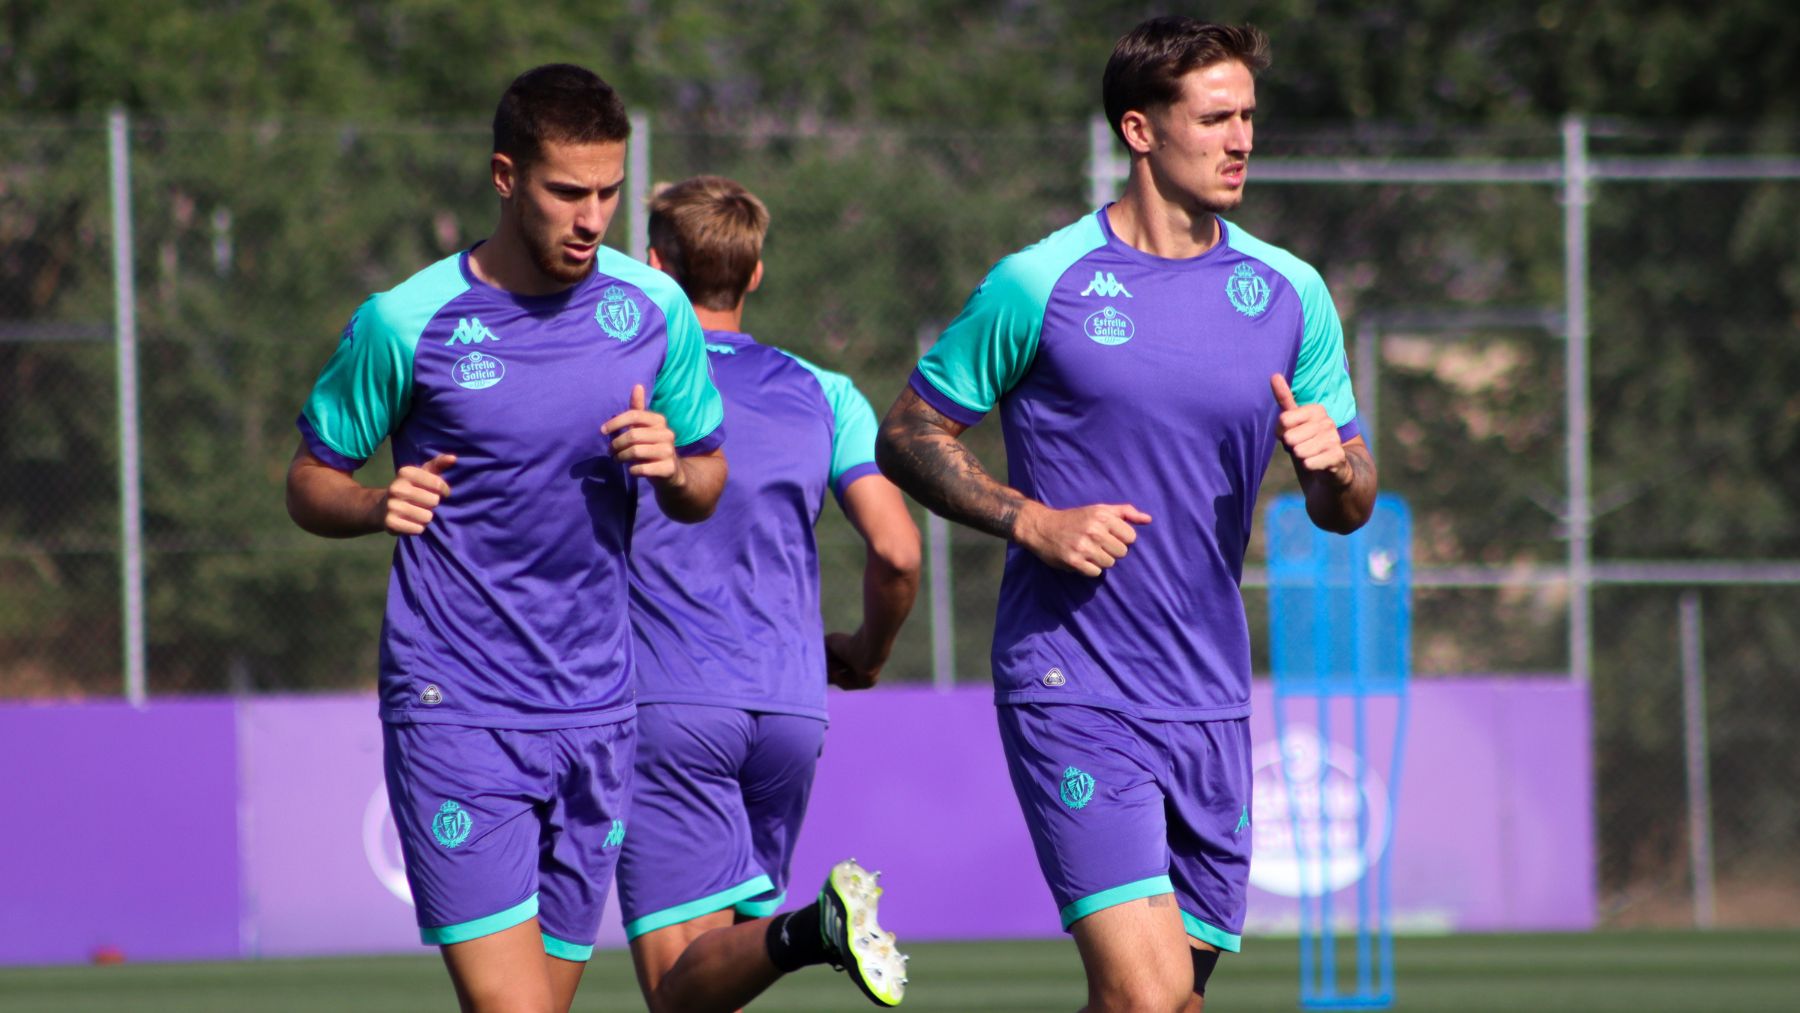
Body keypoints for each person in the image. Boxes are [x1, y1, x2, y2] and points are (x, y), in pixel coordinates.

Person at [875, 17, 1378, 1012]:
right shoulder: (1041, 281)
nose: (1240, 140)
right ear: (1141, 131)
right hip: (1072, 676)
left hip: (1209, 691)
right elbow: (909, 432)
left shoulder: (1289, 292)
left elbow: (1346, 502)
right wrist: (1032, 521)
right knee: (1149, 995)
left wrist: (1336, 465)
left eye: (1247, 117)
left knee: (1162, 1000)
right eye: (1215, 118)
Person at [284, 65, 727, 1013]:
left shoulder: (654, 313)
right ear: (504, 176)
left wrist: (675, 468)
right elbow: (309, 480)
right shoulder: (405, 322)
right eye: (567, 191)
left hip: (600, 710)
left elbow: (708, 480)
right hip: (458, 704)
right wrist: (373, 505)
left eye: (608, 191)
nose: (592, 216)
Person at [616, 175, 921, 1011]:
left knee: (677, 990)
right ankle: (804, 929)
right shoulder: (825, 392)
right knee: (716, 971)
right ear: (754, 275)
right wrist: (865, 650)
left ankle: (812, 927)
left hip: (667, 702)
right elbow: (897, 552)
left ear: (653, 266)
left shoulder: (626, 388)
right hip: (790, 710)